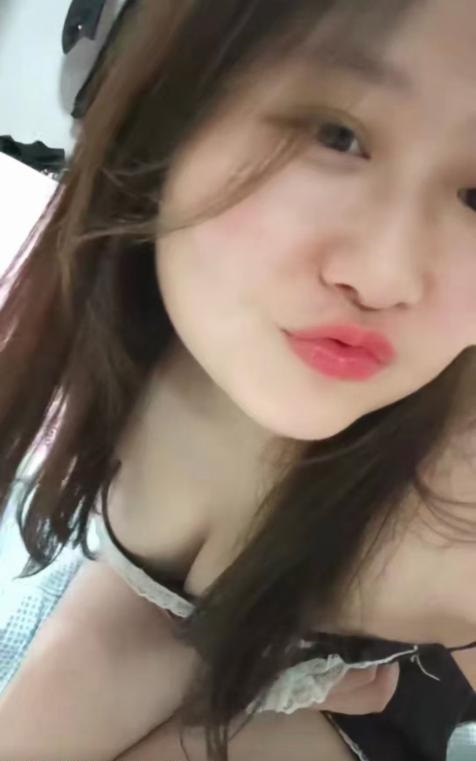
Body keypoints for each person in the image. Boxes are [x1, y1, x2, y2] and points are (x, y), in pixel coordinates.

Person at [0, 0, 476, 759]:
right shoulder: (132, 338)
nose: (384, 276)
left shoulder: (454, 505)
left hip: (388, 693)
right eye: (336, 136)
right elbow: (141, 615)